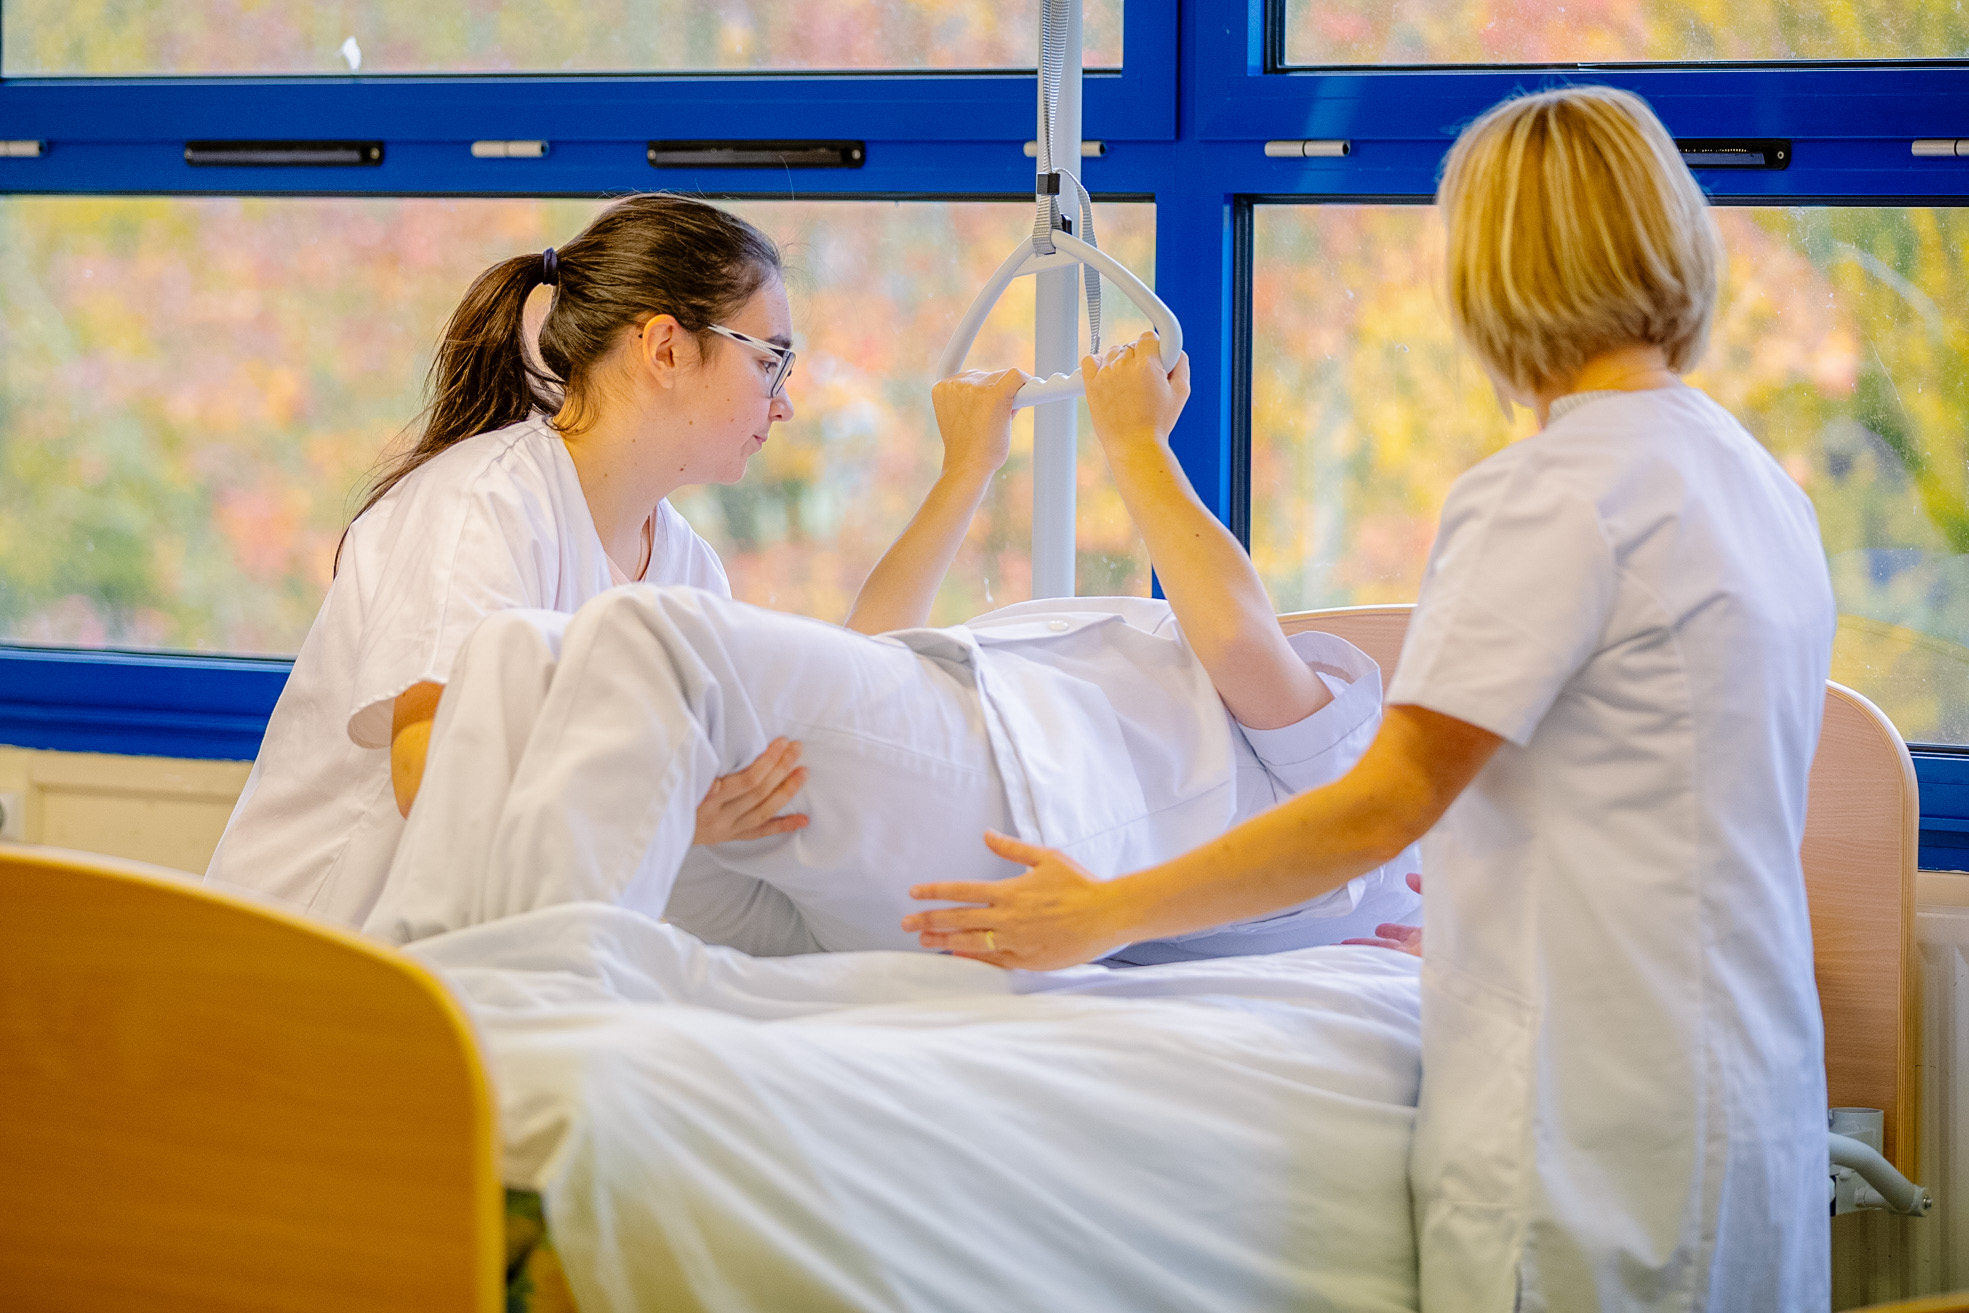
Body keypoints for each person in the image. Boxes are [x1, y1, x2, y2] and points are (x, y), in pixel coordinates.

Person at [905, 87, 1835, 1310]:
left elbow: (1377, 805)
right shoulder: (1748, 479)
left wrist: (1101, 909)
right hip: (1744, 1082)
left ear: (1495, 273)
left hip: (1591, 1119)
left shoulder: (1552, 493)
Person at [361, 333, 1421, 958]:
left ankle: (489, 1023)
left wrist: (1137, 441)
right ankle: (420, 1003)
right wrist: (969, 470)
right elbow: (876, 649)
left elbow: (1237, 628)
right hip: (890, 863)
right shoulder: (1153, 670)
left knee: (649, 636)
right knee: (517, 659)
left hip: (1013, 818)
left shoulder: (1361, 782)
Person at [204, 194, 1029, 930]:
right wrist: (664, 806)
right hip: (317, 956)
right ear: (665, 349)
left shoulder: (684, 568)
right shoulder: (482, 507)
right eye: (767, 360)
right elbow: (435, 784)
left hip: (474, 960)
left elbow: (840, 697)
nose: (784, 402)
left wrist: (966, 474)